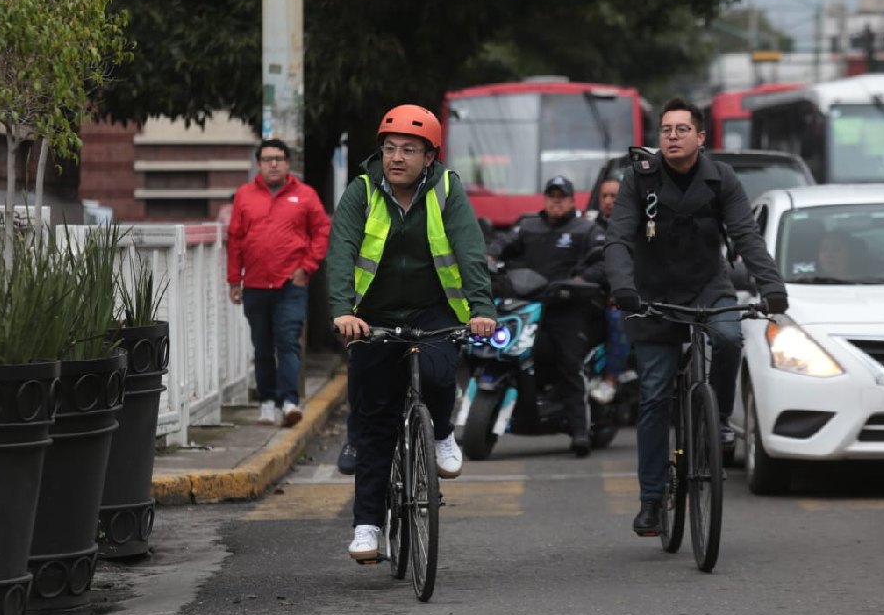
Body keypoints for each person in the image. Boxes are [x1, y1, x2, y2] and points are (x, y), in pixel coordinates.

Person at [605, 98, 788, 537]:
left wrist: (772, 286)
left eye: (681, 129)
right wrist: (623, 287)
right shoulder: (638, 179)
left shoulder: (721, 178)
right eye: (666, 130)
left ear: (701, 137)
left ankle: (718, 419)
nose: (671, 136)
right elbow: (618, 239)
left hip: (709, 287)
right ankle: (651, 499)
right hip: (651, 295)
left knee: (728, 339)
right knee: (652, 394)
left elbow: (746, 235)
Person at [326, 104, 497, 561]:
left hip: (434, 309)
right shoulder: (360, 193)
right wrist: (344, 311)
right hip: (373, 316)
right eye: (389, 148)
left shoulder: (447, 189)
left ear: (429, 156)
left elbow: (469, 247)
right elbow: (341, 252)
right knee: (374, 424)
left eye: (408, 149)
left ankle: (441, 432)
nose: (397, 157)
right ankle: (367, 526)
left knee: (441, 375)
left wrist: (481, 307)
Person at [489, 175, 606, 457]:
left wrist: (581, 278)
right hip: (528, 305)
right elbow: (503, 242)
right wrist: (489, 257)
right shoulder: (528, 225)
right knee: (501, 351)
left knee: (569, 362)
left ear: (571, 200)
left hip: (568, 307)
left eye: (561, 196)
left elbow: (603, 260)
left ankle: (580, 431)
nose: (556, 200)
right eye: (551, 195)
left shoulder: (586, 229)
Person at [227, 138, 331, 427]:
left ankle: (289, 402)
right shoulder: (244, 196)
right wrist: (234, 280)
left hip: (290, 285)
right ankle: (267, 402)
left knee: (287, 342)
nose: (273, 164)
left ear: (288, 164)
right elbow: (234, 239)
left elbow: (322, 230)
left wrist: (306, 267)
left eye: (279, 159)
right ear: (259, 164)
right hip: (256, 285)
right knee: (261, 347)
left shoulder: (306, 196)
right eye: (267, 159)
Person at [591, 175, 632, 405]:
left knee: (619, 318)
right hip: (589, 297)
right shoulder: (588, 228)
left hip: (622, 300)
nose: (608, 201)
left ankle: (611, 379)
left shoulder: (635, 228)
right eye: (604, 196)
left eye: (614, 196)